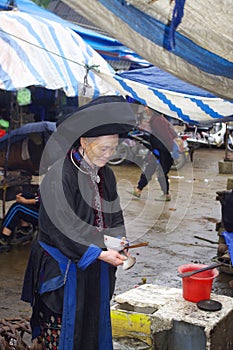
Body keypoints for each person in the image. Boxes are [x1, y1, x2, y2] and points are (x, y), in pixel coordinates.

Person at [21, 96, 136, 350]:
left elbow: (114, 214)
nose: (109, 155)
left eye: (113, 148)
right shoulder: (58, 175)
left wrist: (119, 242)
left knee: (93, 327)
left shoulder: (106, 174)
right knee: (64, 332)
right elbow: (61, 228)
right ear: (84, 142)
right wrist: (97, 253)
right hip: (63, 266)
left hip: (96, 261)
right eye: (103, 148)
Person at [132, 107, 177, 201]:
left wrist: (163, 150)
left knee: (159, 172)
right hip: (158, 150)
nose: (145, 109)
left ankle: (165, 194)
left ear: (153, 109)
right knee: (149, 168)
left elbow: (165, 137)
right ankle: (138, 189)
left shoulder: (158, 121)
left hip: (161, 151)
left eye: (147, 107)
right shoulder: (157, 119)